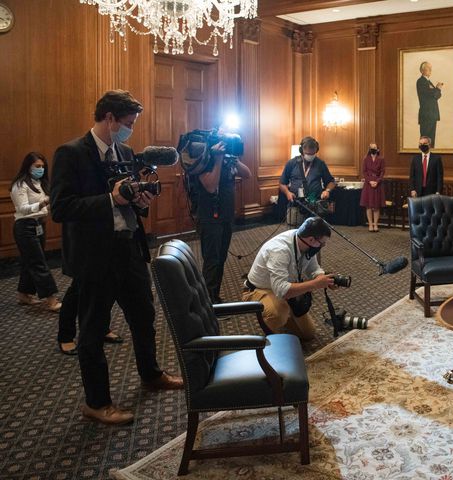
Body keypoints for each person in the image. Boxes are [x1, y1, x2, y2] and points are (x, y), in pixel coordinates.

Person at [51, 90, 182, 425]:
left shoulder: (123, 150)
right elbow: (61, 208)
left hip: (129, 249)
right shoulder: (71, 153)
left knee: (143, 317)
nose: (130, 130)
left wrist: (138, 201)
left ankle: (151, 374)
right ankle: (97, 403)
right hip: (94, 257)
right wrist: (110, 199)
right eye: (128, 123)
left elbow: (127, 198)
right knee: (93, 332)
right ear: (109, 117)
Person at [241, 216, 338, 341]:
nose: (323, 246)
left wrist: (324, 279)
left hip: (285, 287)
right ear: (311, 239)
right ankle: (271, 336)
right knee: (278, 314)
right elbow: (281, 290)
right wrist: (315, 284)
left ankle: (284, 315)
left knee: (308, 333)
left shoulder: (303, 241)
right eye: (322, 243)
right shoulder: (279, 251)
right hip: (259, 289)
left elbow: (313, 268)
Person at [192, 142, 251, 303]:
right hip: (210, 217)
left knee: (221, 258)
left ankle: (214, 297)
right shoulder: (204, 157)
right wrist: (217, 159)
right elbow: (210, 186)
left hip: (226, 216)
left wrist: (233, 157)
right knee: (212, 260)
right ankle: (207, 302)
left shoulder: (230, 159)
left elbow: (247, 174)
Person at [10, 152, 62, 313]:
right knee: (38, 262)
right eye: (37, 166)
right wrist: (42, 203)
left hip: (39, 225)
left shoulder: (40, 183)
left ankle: (24, 294)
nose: (40, 169)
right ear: (28, 166)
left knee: (29, 261)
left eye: (42, 166)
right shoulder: (20, 185)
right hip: (25, 227)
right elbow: (23, 209)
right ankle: (51, 300)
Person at [279, 136, 335, 205]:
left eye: (313, 154)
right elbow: (282, 183)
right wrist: (287, 193)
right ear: (301, 151)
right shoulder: (291, 163)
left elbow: (330, 182)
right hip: (296, 204)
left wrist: (327, 191)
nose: (311, 156)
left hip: (315, 204)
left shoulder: (320, 164)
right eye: (308, 154)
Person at [359, 143, 385, 232]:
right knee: (369, 206)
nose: (373, 149)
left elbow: (382, 172)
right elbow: (364, 172)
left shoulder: (381, 159)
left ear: (378, 149)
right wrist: (370, 181)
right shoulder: (366, 159)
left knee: (376, 206)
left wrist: (377, 181)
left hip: (378, 183)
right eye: (371, 148)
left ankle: (375, 224)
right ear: (369, 149)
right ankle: (370, 224)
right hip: (368, 183)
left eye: (374, 148)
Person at [416, 61, 443, 146]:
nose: (430, 70)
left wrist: (437, 90)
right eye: (428, 68)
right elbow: (433, 94)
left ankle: (430, 158)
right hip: (426, 115)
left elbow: (437, 96)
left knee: (431, 140)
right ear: (422, 70)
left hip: (432, 115)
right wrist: (437, 88)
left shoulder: (428, 82)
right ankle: (423, 157)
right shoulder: (421, 81)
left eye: (431, 68)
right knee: (425, 140)